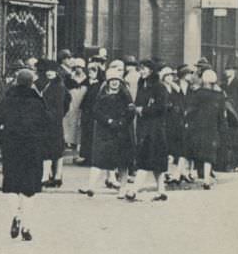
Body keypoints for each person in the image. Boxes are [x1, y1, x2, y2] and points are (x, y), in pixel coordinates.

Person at [0, 69, 50, 242]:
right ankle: (27, 225)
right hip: (32, 150)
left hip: (12, 148)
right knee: (29, 188)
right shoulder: (38, 102)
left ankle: (16, 215)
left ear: (16, 82)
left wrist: (4, 140)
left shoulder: (7, 101)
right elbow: (47, 125)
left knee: (11, 185)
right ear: (31, 82)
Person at [78, 67, 134, 198]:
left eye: (117, 80)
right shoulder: (102, 95)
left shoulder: (125, 95)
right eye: (112, 80)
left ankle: (123, 188)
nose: (114, 82)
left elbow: (131, 112)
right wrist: (108, 121)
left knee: (122, 162)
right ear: (108, 81)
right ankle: (91, 186)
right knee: (98, 159)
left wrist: (121, 122)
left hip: (121, 132)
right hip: (105, 132)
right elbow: (96, 111)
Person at [125, 59, 169, 201]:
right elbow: (139, 101)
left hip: (155, 128)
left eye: (144, 69)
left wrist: (143, 109)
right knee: (157, 161)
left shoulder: (159, 87)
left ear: (151, 70)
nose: (141, 71)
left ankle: (133, 190)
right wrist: (135, 107)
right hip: (145, 126)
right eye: (140, 68)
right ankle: (161, 191)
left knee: (144, 159)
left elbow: (162, 108)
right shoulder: (142, 84)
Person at [186, 69, 226, 189]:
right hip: (212, 128)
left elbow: (191, 110)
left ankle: (190, 173)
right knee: (209, 154)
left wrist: (188, 121)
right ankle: (207, 180)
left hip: (198, 127)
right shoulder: (219, 95)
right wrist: (223, 128)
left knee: (193, 150)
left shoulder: (198, 93)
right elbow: (221, 114)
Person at [37, 60, 70, 188]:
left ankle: (53, 175)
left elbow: (65, 103)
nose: (49, 73)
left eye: (52, 71)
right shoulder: (47, 84)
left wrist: (57, 114)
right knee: (53, 148)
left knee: (53, 148)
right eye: (48, 71)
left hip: (53, 120)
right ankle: (53, 175)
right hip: (49, 121)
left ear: (56, 72)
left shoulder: (58, 86)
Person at [221, 62, 238, 180]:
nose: (228, 71)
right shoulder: (223, 84)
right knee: (227, 140)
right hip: (226, 115)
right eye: (227, 69)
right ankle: (227, 163)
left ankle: (234, 164)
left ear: (234, 71)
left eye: (231, 69)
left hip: (236, 116)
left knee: (235, 141)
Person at [161, 67, 186, 185]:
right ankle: (166, 172)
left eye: (171, 75)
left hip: (176, 121)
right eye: (167, 76)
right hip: (166, 121)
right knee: (167, 147)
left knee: (176, 147)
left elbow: (181, 100)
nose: (170, 78)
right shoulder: (162, 89)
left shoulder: (174, 88)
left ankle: (175, 172)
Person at [78, 63, 103, 165]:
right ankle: (86, 157)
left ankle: (92, 158)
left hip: (94, 114)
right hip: (87, 113)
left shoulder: (100, 84)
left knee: (93, 135)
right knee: (86, 135)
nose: (91, 73)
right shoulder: (88, 82)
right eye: (90, 71)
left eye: (94, 71)